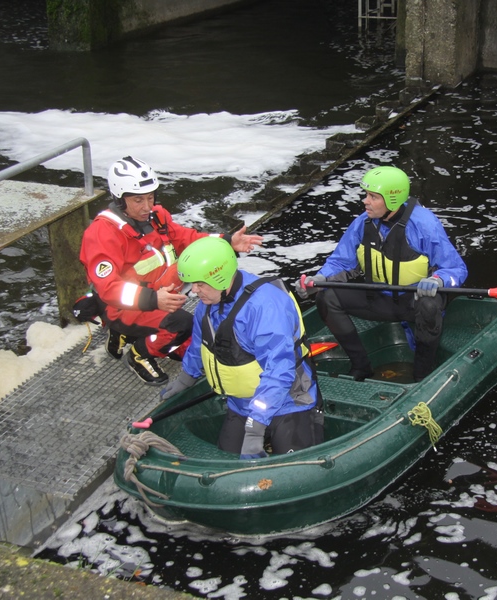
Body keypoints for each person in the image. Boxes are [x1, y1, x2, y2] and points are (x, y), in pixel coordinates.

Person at [78, 156, 263, 385]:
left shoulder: (156, 217)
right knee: (182, 325)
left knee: (193, 347)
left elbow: (186, 239)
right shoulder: (101, 234)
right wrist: (154, 299)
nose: (147, 206)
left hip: (158, 294)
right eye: (138, 200)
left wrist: (226, 241)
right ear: (120, 199)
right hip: (123, 305)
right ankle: (138, 354)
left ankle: (127, 333)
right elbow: (108, 289)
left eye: (150, 197)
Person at [294, 165, 468, 382]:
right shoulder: (362, 223)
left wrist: (438, 279)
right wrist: (319, 279)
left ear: (392, 199)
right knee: (327, 297)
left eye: (373, 197)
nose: (365, 201)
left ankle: (422, 373)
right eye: (367, 195)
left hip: (412, 302)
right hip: (378, 299)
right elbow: (341, 261)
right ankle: (361, 367)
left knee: (429, 305)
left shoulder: (424, 225)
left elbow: (456, 269)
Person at [160, 236, 323, 459]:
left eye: (200, 284)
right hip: (240, 403)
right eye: (192, 284)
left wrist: (255, 427)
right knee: (228, 461)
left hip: (288, 400)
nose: (194, 291)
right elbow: (201, 346)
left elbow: (279, 372)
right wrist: (186, 378)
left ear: (220, 276)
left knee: (294, 468)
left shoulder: (264, 307)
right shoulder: (206, 306)